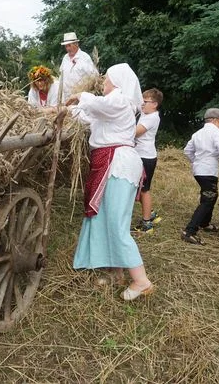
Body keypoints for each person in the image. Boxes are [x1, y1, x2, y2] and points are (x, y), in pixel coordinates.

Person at [66, 63, 154, 301]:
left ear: (117, 83)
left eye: (106, 80)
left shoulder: (121, 102)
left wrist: (79, 95)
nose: (103, 84)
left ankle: (141, 280)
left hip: (118, 165)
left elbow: (95, 104)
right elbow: (86, 115)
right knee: (104, 218)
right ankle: (116, 273)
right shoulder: (109, 108)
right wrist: (62, 111)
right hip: (109, 164)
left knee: (116, 222)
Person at [181, 108, 219, 245]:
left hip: (199, 171)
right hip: (209, 171)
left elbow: (187, 151)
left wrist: (196, 161)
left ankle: (205, 223)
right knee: (208, 199)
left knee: (211, 195)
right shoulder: (216, 132)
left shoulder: (198, 133)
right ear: (215, 120)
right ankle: (189, 231)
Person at [133, 88, 163, 233]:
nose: (142, 104)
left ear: (155, 104)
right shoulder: (146, 113)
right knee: (142, 188)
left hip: (145, 157)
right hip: (142, 155)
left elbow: (135, 133)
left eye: (145, 102)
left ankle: (146, 224)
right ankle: (150, 213)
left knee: (144, 190)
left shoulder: (152, 118)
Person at [59, 32, 99, 102]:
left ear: (76, 44)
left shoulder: (84, 57)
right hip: (66, 98)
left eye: (69, 45)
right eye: (66, 46)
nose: (68, 48)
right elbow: (61, 75)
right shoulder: (65, 58)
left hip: (81, 98)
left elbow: (95, 76)